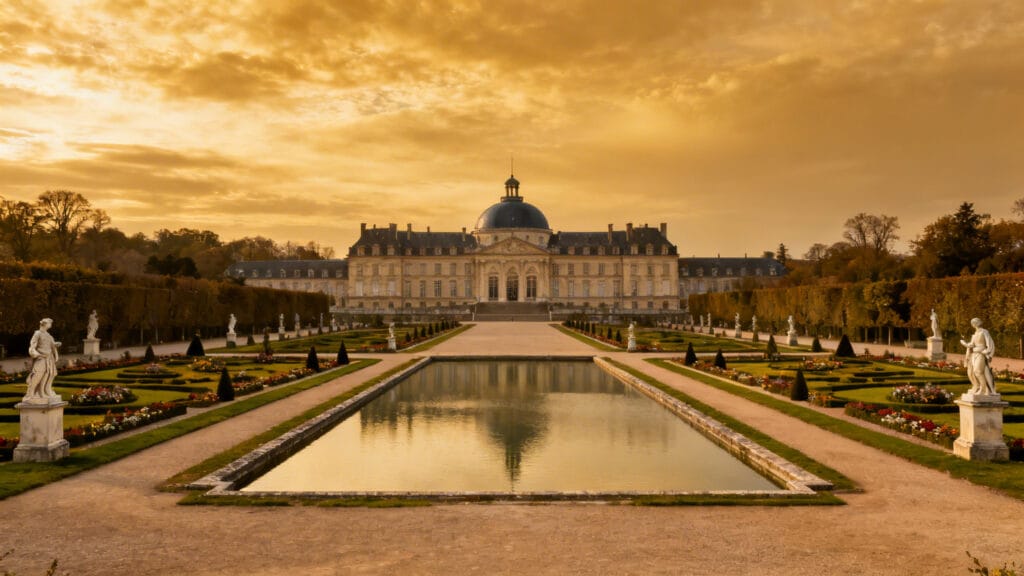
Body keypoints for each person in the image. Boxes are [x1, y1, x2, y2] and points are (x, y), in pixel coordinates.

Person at [24, 318, 62, 402]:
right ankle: (30, 393)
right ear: (45, 324)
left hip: (49, 358)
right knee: (38, 375)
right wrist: (35, 354)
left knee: (47, 376)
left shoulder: (48, 335)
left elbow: (51, 345)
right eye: (50, 323)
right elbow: (32, 346)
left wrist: (55, 344)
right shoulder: (38, 333)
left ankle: (42, 392)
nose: (51, 325)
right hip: (41, 357)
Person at [959, 318, 996, 396]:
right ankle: (982, 389)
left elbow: (990, 343)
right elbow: (971, 345)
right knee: (975, 372)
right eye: (974, 323)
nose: (975, 324)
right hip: (974, 354)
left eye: (975, 322)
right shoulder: (975, 334)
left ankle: (983, 389)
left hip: (981, 354)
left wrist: (987, 352)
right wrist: (964, 343)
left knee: (978, 371)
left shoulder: (984, 331)